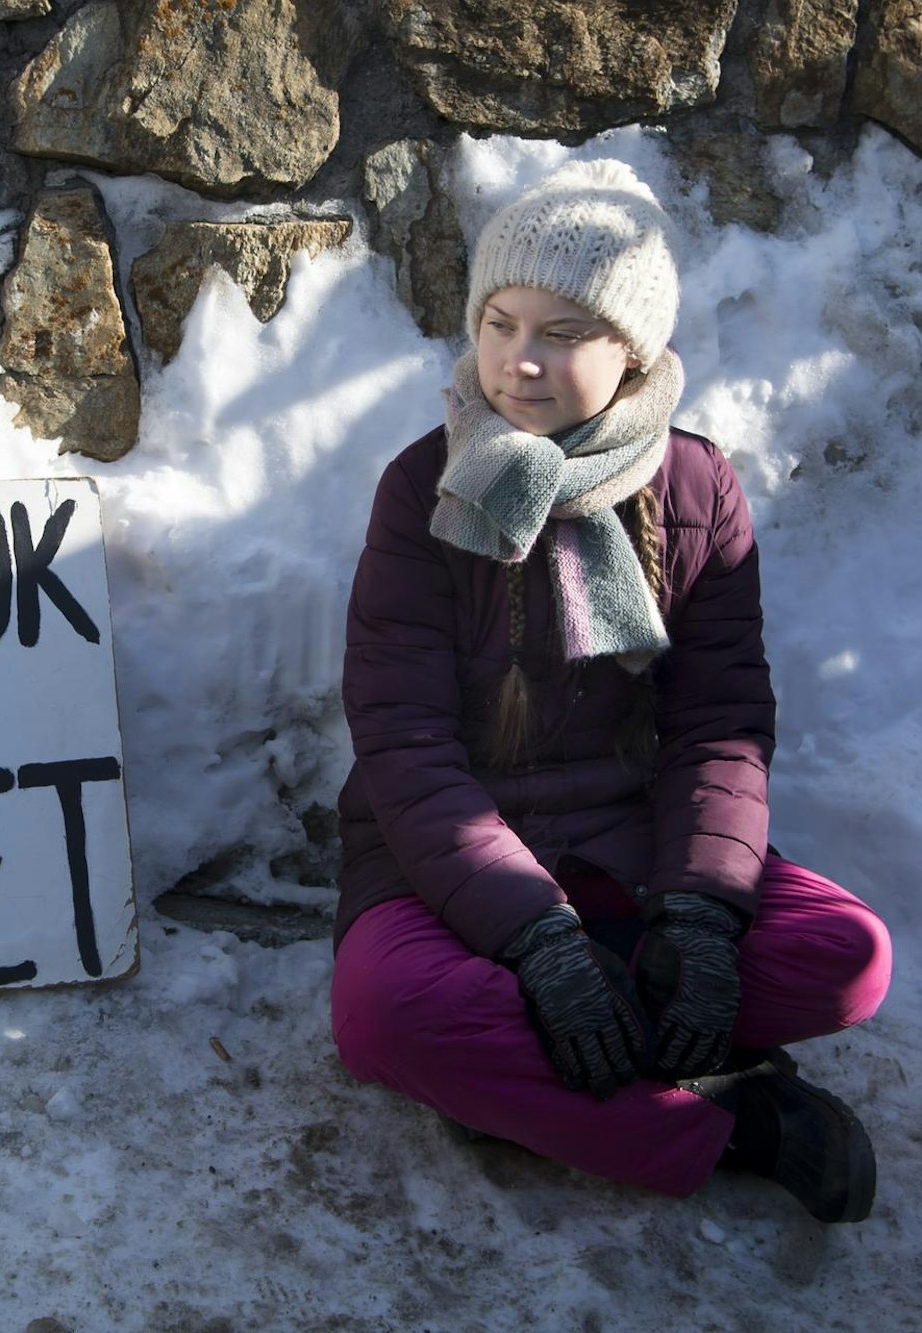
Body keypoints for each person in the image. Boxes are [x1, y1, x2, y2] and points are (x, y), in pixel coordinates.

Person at [328, 159, 892, 1223]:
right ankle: (736, 1122)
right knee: (382, 1020)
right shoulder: (423, 489)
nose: (518, 361)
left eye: (563, 333)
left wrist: (704, 911)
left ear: (631, 353)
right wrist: (533, 936)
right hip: (447, 873)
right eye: (498, 322)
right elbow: (402, 744)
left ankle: (532, 1074)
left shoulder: (694, 486)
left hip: (636, 853)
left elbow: (716, 725)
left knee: (847, 957)